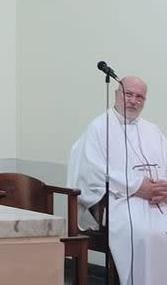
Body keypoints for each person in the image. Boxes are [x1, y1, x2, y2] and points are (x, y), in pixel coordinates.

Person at [68, 76, 167, 285]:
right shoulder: (99, 127)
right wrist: (137, 187)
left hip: (159, 202)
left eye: (139, 97)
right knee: (146, 234)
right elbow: (93, 171)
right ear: (116, 94)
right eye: (128, 94)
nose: (133, 100)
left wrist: (163, 189)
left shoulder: (153, 131)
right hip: (121, 200)